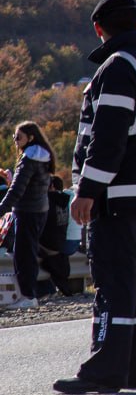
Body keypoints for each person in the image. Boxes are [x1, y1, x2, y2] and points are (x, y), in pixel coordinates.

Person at [55, 0, 136, 395]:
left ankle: (105, 369)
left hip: (113, 199)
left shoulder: (116, 68)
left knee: (113, 282)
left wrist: (88, 190)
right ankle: (135, 368)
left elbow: (107, 137)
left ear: (99, 29)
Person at [0, 121, 54, 309]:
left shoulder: (28, 159)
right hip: (40, 210)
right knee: (28, 253)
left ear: (30, 138)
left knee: (23, 255)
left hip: (27, 212)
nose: (15, 141)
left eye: (18, 137)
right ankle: (28, 294)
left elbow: (17, 190)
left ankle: (28, 296)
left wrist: (1, 209)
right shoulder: (43, 157)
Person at [37, 175, 75, 298]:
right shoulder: (64, 199)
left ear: (51, 186)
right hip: (59, 244)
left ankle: (40, 290)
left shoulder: (47, 200)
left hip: (48, 245)